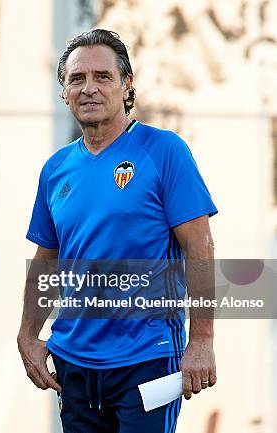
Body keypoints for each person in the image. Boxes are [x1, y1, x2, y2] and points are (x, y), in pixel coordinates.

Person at [17, 29, 217, 432]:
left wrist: (202, 342)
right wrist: (27, 335)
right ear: (64, 92)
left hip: (146, 358)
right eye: (77, 79)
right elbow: (46, 259)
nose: (89, 88)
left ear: (127, 85)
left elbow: (201, 248)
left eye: (102, 77)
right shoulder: (56, 169)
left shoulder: (164, 152)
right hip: (72, 361)